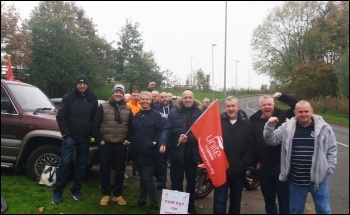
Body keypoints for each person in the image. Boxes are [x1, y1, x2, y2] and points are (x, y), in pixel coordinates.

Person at [263, 100, 337, 214]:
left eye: (306, 111)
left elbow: (332, 150)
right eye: (300, 112)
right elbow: (271, 140)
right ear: (295, 112)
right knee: (295, 211)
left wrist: (328, 169)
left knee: (323, 210)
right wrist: (269, 126)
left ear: (312, 111)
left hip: (318, 180)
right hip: (296, 181)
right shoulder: (287, 127)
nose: (304, 114)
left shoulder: (324, 128)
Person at [249, 92, 298, 214]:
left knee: (284, 200)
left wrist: (282, 96)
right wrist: (254, 162)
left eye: (269, 104)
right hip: (263, 168)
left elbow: (297, 106)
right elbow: (251, 143)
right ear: (260, 106)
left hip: (281, 167)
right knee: (269, 201)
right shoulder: (253, 119)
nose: (267, 107)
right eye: (264, 104)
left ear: (273, 105)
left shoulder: (283, 115)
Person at [53, 75, 98, 204]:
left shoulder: (92, 98)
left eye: (84, 83)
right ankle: (58, 192)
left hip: (84, 138)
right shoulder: (68, 98)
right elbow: (60, 117)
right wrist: (66, 134)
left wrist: (91, 133)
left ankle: (76, 190)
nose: (82, 86)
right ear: (76, 84)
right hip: (70, 137)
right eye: (80, 83)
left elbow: (95, 118)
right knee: (65, 163)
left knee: (81, 166)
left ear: (87, 85)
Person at [159, 90, 202, 214]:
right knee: (176, 182)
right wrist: (162, 142)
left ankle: (191, 208)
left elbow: (203, 135)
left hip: (192, 155)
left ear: (193, 99)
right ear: (181, 99)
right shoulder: (173, 113)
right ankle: (177, 210)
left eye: (190, 97)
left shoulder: (200, 114)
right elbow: (166, 129)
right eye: (185, 97)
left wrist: (189, 139)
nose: (188, 100)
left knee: (191, 183)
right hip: (177, 154)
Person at [92, 83, 133, 206]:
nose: (118, 94)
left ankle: (117, 194)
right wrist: (100, 140)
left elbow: (131, 127)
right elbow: (95, 126)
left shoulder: (128, 109)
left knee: (120, 170)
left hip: (121, 144)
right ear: (112, 93)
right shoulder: (103, 107)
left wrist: (127, 140)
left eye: (120, 92)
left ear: (123, 94)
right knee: (104, 170)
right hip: (106, 144)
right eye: (116, 92)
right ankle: (105, 194)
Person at [213, 96, 255, 214]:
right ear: (225, 107)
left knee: (235, 203)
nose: (230, 108)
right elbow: (206, 139)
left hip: (238, 171)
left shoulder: (247, 124)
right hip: (221, 171)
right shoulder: (218, 122)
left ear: (238, 107)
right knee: (219, 203)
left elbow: (251, 147)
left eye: (233, 106)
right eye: (228, 106)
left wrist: (244, 163)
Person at [129, 91, 164, 214]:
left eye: (147, 99)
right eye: (142, 99)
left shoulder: (156, 115)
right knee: (142, 179)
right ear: (139, 100)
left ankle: (154, 204)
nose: (144, 101)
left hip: (149, 152)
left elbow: (162, 130)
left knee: (148, 178)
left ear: (150, 100)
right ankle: (142, 200)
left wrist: (155, 141)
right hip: (137, 151)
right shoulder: (137, 114)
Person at [153, 92, 175, 190]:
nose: (164, 99)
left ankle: (175, 183)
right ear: (159, 98)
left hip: (173, 139)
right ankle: (162, 182)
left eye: (165, 97)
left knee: (174, 162)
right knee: (161, 162)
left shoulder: (175, 109)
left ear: (169, 98)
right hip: (160, 139)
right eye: (162, 97)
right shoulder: (155, 109)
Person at [126, 89, 142, 178]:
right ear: (131, 96)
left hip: (138, 132)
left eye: (137, 95)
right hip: (130, 131)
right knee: (128, 153)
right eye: (134, 95)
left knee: (137, 153)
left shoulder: (140, 105)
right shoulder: (127, 105)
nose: (136, 97)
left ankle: (135, 171)